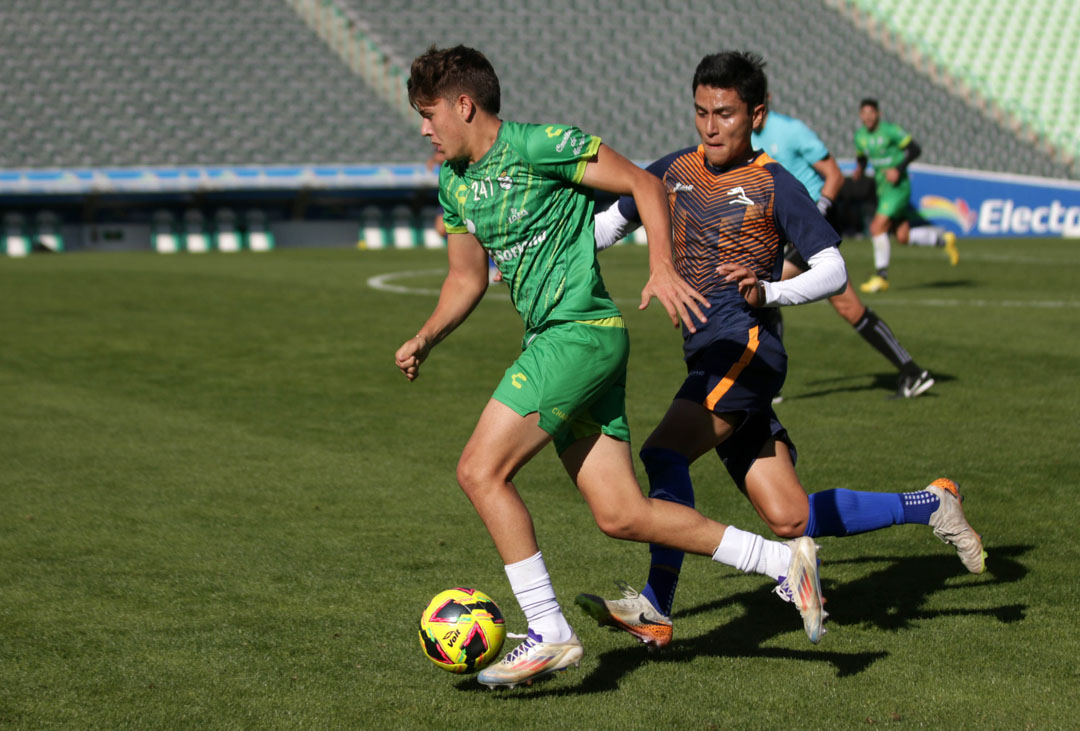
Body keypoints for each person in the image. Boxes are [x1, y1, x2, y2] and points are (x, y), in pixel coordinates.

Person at [395, 45, 827, 689]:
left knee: (479, 470)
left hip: (579, 336)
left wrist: (661, 264)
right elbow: (466, 278)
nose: (424, 129)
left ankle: (548, 629)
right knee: (621, 514)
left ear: (464, 105)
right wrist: (428, 335)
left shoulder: (542, 144)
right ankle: (781, 562)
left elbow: (645, 184)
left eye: (428, 114)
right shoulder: (454, 182)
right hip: (554, 340)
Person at [577, 51, 985, 650]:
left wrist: (770, 289)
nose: (711, 127)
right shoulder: (669, 171)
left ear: (756, 115)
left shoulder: (775, 183)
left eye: (725, 114)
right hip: (710, 354)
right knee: (790, 517)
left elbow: (834, 270)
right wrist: (540, 259)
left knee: (665, 453)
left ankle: (656, 606)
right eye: (700, 113)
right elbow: (609, 225)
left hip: (744, 348)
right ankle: (932, 503)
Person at [752, 101, 934, 398]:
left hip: (809, 231)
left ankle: (771, 386)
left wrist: (816, 216)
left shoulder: (790, 130)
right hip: (790, 232)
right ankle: (913, 372)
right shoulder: (746, 139)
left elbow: (834, 174)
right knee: (850, 308)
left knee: (768, 289)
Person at [853, 98, 959, 294]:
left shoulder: (890, 130)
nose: (867, 116)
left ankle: (881, 277)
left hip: (898, 187)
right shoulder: (860, 136)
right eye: (864, 113)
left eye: (871, 112)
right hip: (882, 188)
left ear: (878, 114)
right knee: (903, 237)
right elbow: (862, 155)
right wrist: (859, 168)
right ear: (860, 115)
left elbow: (915, 149)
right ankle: (944, 240)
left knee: (876, 227)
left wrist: (898, 168)